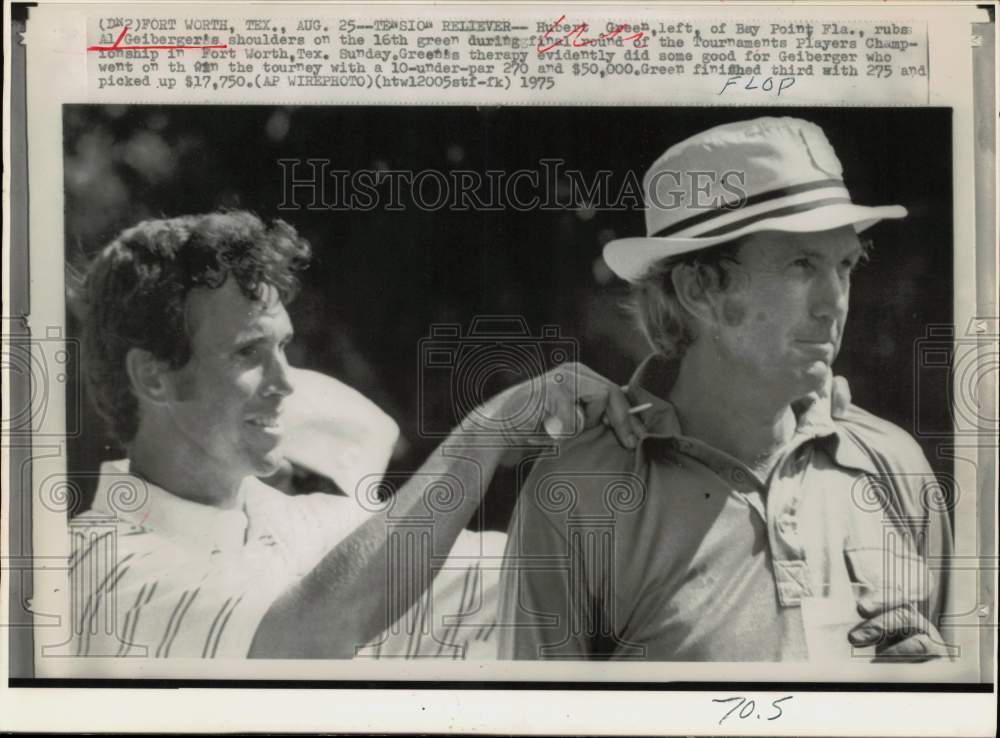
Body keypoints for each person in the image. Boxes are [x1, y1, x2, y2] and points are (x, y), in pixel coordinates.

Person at [67, 210, 645, 659]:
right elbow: (305, 641)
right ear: (153, 376)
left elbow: (536, 573)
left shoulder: (311, 524)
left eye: (282, 346)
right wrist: (483, 436)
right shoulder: (92, 568)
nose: (285, 382)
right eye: (249, 352)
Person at [497, 117, 954, 662]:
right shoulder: (575, 498)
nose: (835, 302)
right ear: (698, 289)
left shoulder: (892, 463)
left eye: (846, 265)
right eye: (802, 264)